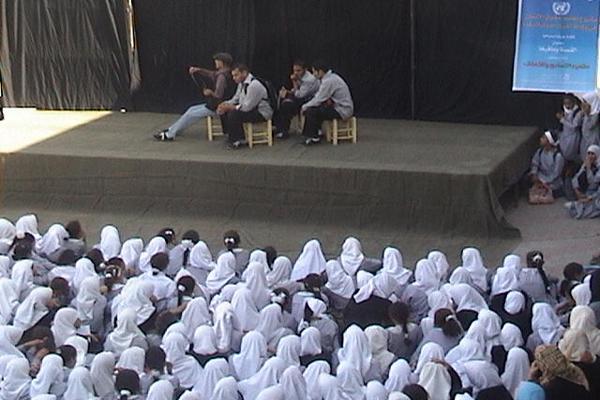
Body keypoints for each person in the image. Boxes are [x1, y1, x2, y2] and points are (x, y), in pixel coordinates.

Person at [154, 52, 235, 141]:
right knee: (191, 109)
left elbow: (218, 96)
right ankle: (173, 129)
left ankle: (170, 134)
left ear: (222, 62)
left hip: (218, 106)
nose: (215, 62)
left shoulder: (222, 77)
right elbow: (210, 73)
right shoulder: (225, 73)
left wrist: (210, 92)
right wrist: (198, 70)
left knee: (191, 114)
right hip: (216, 104)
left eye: (217, 61)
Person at [217, 63, 274, 149]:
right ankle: (231, 135)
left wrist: (231, 107)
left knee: (234, 114)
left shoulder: (254, 85)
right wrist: (224, 104)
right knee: (224, 110)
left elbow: (247, 107)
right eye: (233, 76)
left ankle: (236, 140)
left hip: (261, 112)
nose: (234, 78)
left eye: (236, 75)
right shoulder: (241, 84)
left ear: (244, 73)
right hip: (250, 108)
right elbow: (236, 98)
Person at [300, 60, 354, 145]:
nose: (314, 74)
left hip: (342, 110)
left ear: (320, 71)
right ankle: (317, 131)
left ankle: (313, 137)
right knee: (317, 108)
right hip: (339, 107)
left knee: (311, 111)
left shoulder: (328, 81)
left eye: (314, 72)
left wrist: (304, 106)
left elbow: (319, 99)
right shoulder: (332, 77)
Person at [275, 60, 320, 139]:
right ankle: (283, 130)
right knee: (285, 103)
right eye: (294, 70)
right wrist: (287, 92)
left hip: (310, 99)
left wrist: (294, 82)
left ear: (305, 70)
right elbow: (296, 91)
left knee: (288, 104)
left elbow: (300, 95)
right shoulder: (299, 77)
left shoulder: (309, 80)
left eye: (298, 70)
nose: (296, 73)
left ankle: (310, 131)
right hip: (302, 98)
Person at [566, 145, 600, 218]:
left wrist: (588, 169)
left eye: (592, 154)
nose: (590, 156)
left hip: (596, 193)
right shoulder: (586, 164)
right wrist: (577, 191)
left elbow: (593, 182)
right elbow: (576, 177)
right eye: (589, 153)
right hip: (586, 190)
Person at [529, 130, 565, 199]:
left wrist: (544, 181)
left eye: (543, 138)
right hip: (540, 177)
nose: (541, 139)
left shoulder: (558, 156)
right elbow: (535, 163)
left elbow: (556, 174)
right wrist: (534, 174)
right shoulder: (540, 151)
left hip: (553, 182)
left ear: (549, 141)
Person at [557, 94, 583, 163]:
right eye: (565, 103)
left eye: (569, 103)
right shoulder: (564, 110)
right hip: (564, 135)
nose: (567, 106)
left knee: (570, 153)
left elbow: (574, 126)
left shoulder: (578, 112)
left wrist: (562, 119)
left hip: (573, 137)